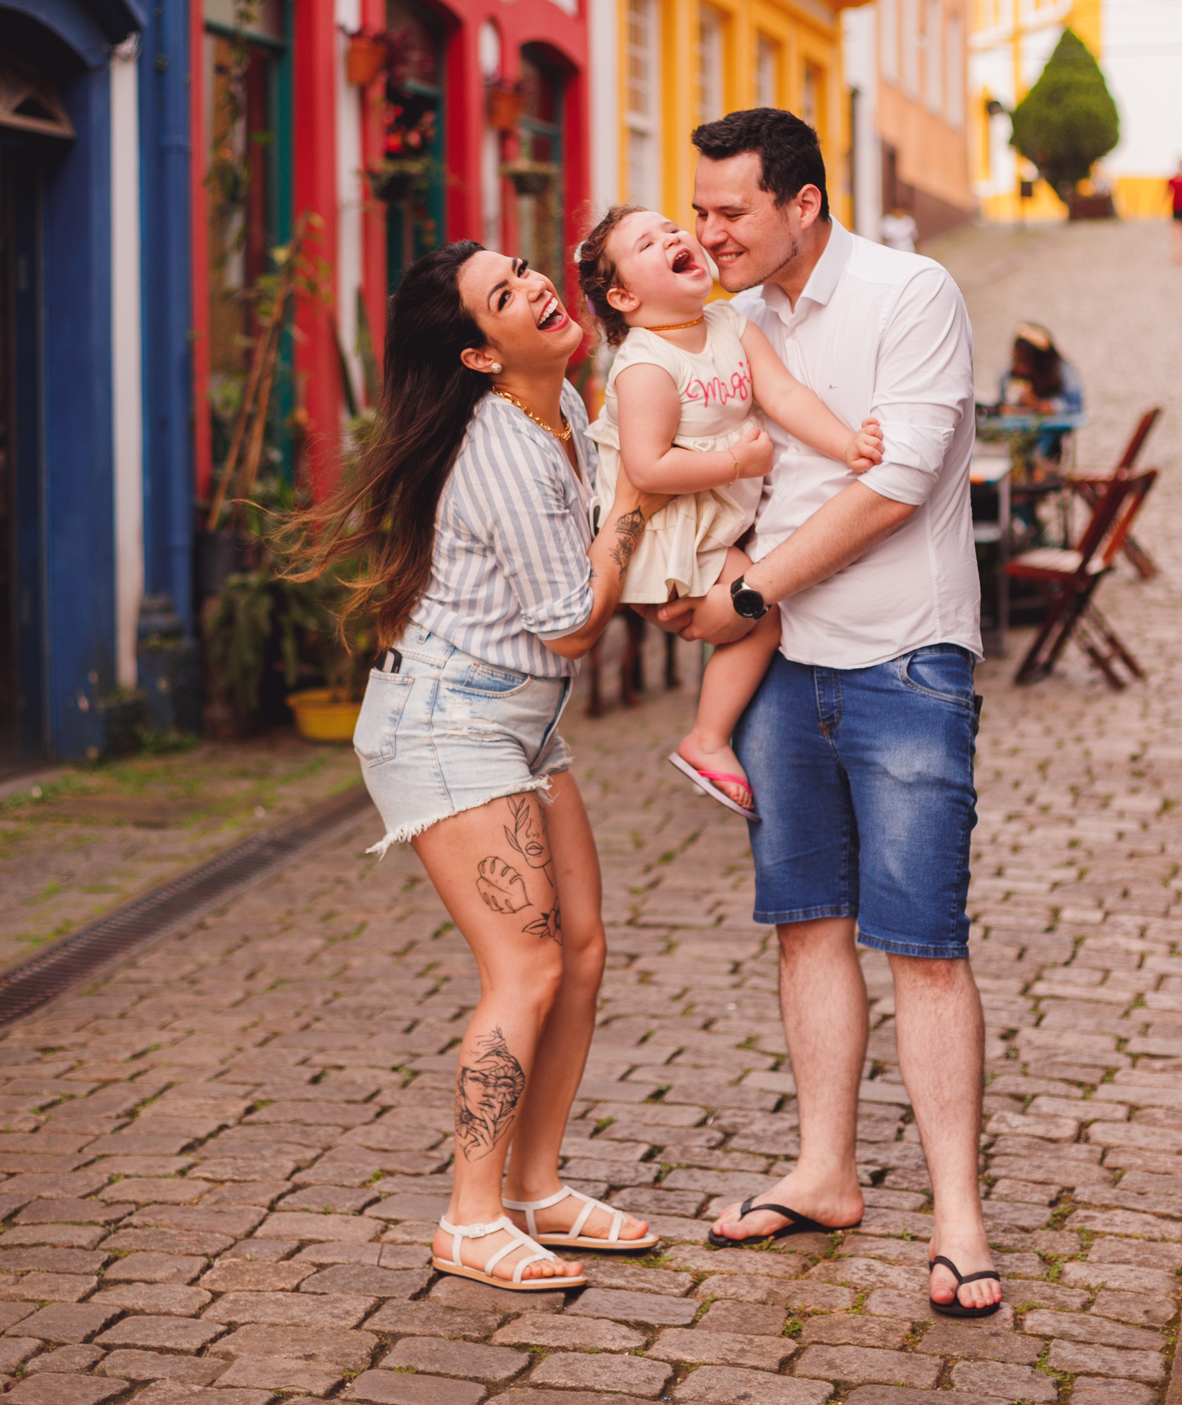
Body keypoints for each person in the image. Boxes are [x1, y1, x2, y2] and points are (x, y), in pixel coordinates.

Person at [654, 108, 1001, 1322]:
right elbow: (743, 469)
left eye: (731, 211)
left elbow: (894, 487)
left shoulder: (912, 293)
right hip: (783, 675)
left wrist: (745, 589)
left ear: (803, 203)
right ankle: (826, 1172)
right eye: (698, 211)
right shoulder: (738, 324)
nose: (709, 233)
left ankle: (958, 1215)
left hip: (906, 662)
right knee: (807, 928)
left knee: (925, 945)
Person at [289, 241, 666, 1295]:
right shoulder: (502, 448)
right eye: (506, 295)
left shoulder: (566, 412)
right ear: (477, 354)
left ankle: (536, 1189)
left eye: (527, 271)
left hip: (516, 725)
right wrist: (636, 497)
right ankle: (467, 1216)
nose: (539, 287)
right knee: (529, 966)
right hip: (447, 725)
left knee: (582, 951)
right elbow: (569, 625)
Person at [577, 206, 882, 817]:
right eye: (648, 243)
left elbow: (784, 394)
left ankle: (714, 734)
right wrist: (740, 466)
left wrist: (845, 444)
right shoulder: (644, 367)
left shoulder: (728, 323)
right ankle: (707, 739)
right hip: (668, 530)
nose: (674, 237)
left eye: (671, 229)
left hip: (711, 521)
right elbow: (647, 470)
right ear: (623, 296)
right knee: (761, 613)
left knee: (757, 608)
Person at [999, 322, 1083, 417]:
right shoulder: (1008, 375)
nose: (1020, 369)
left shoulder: (1063, 372)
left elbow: (1076, 408)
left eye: (1025, 362)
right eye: (1016, 360)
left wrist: (1039, 405)